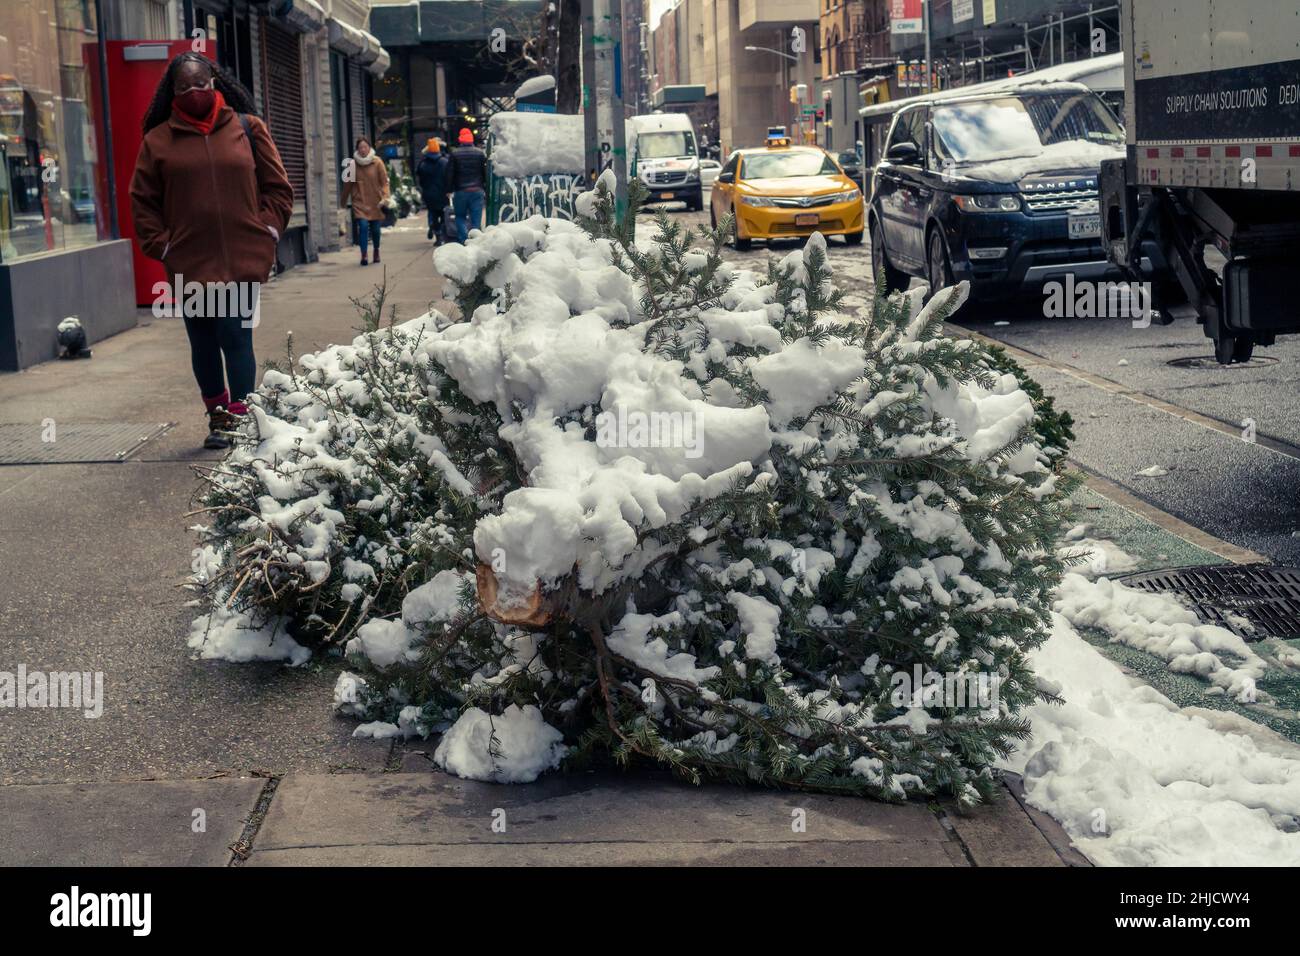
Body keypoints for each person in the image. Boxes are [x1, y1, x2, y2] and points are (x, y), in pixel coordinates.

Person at [130, 52, 293, 450]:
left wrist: (267, 230)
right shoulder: (158, 141)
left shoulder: (247, 128)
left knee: (236, 337)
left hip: (240, 260)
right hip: (190, 262)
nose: (194, 92)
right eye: (184, 87)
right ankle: (218, 418)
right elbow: (142, 202)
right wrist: (164, 245)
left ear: (214, 84)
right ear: (174, 91)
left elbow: (278, 187)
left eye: (200, 84)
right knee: (203, 343)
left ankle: (241, 419)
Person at [342, 136, 389, 266]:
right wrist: (343, 202)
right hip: (360, 202)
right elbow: (347, 185)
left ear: (369, 148)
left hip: (376, 201)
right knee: (362, 227)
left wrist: (385, 197)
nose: (363, 150)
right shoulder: (352, 164)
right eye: (360, 147)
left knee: (375, 229)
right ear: (357, 149)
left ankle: (376, 251)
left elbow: (384, 182)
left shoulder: (377, 162)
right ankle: (364, 255)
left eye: (365, 147)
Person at [448, 127, 487, 243]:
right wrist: (485, 188)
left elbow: (450, 173)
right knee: (476, 219)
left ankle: (464, 239)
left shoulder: (454, 154)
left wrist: (449, 190)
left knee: (460, 216)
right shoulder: (480, 153)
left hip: (461, 191)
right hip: (477, 190)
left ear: (460, 139)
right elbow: (484, 173)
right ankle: (476, 241)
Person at [415, 137, 449, 242]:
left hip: (429, 194)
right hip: (442, 193)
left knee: (433, 214)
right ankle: (442, 234)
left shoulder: (423, 164)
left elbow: (419, 178)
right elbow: (448, 177)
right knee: (443, 215)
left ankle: (436, 233)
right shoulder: (445, 162)